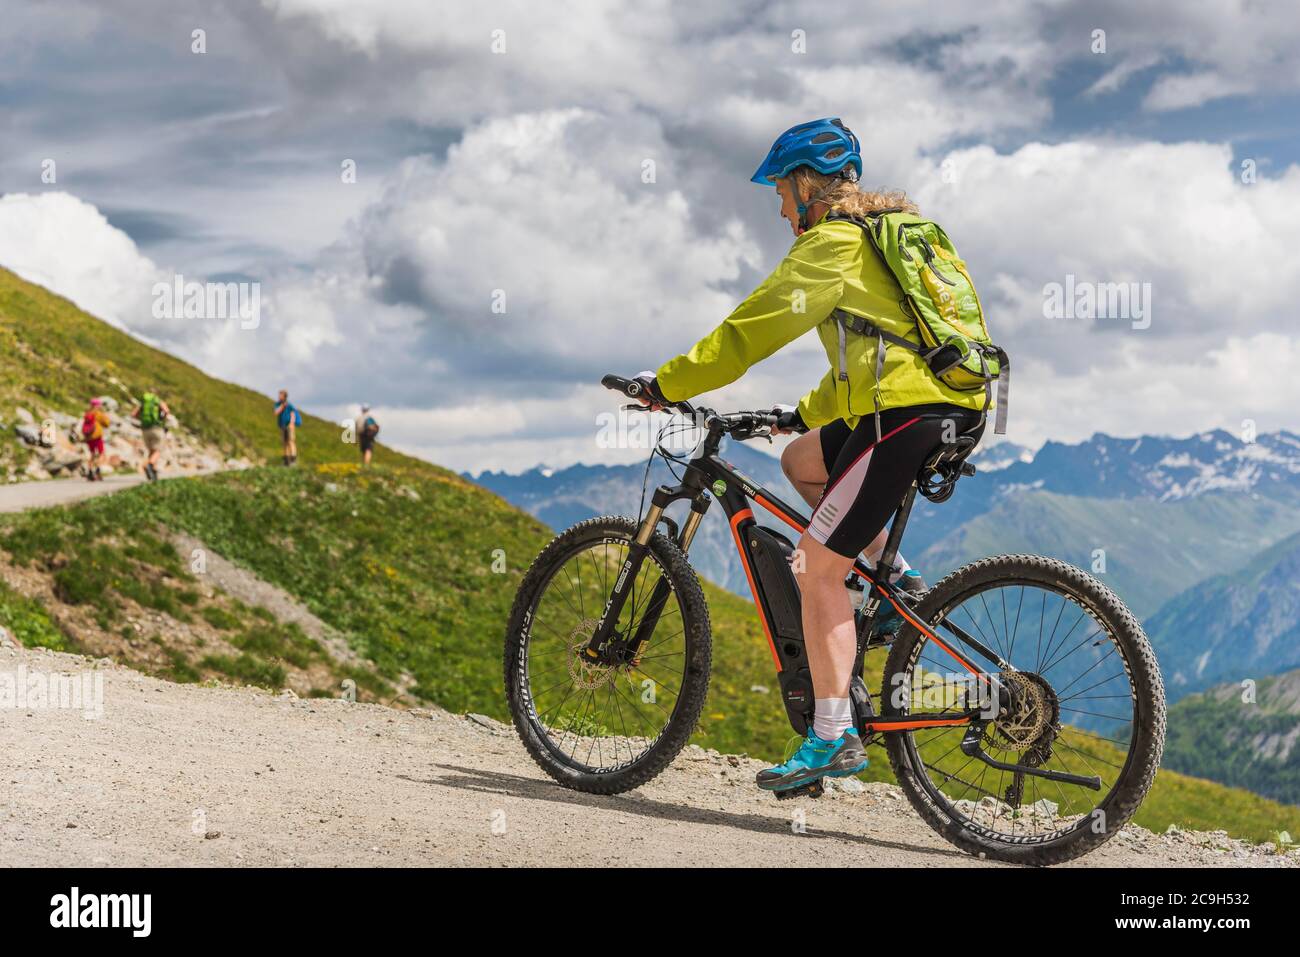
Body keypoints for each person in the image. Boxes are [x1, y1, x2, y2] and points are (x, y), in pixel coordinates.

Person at [634, 118, 990, 793]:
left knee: (817, 566)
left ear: (804, 184)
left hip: (905, 413)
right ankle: (894, 581)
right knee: (801, 459)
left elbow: (749, 330)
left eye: (779, 190)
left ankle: (831, 736)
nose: (777, 206)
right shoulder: (885, 239)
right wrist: (801, 413)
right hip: (939, 403)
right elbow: (882, 355)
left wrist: (666, 385)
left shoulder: (831, 245)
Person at [131, 390, 171, 482]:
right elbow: (166, 411)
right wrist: (161, 419)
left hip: (145, 429)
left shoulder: (143, 404)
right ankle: (149, 465)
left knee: (151, 451)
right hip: (157, 428)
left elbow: (133, 414)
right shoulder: (158, 401)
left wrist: (142, 418)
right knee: (158, 450)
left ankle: (153, 472)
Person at [80, 397, 111, 482]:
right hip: (97, 437)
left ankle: (90, 471)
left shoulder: (87, 413)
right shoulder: (98, 413)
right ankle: (97, 471)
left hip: (89, 437)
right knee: (101, 454)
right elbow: (107, 423)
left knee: (92, 454)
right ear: (97, 405)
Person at [274, 390, 301, 466]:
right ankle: (286, 460)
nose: (279, 397)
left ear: (284, 396)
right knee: (284, 442)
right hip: (282, 426)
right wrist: (282, 406)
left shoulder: (289, 405)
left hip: (289, 426)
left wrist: (291, 423)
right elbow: (276, 413)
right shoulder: (278, 404)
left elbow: (293, 414)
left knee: (291, 441)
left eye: (280, 395)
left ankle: (293, 459)